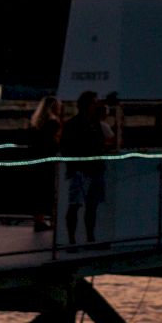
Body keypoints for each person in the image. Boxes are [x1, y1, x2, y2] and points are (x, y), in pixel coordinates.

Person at [60, 91, 109, 247]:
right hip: (81, 170)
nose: (97, 105)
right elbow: (67, 147)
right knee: (76, 205)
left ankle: (88, 238)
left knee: (90, 206)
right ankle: (74, 240)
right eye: (94, 102)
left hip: (93, 168)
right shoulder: (75, 124)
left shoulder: (93, 123)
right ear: (87, 105)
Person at [25, 95, 63, 232]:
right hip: (49, 161)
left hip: (37, 160)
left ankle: (39, 220)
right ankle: (52, 220)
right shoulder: (53, 122)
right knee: (51, 191)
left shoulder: (37, 122)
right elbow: (56, 142)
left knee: (38, 192)